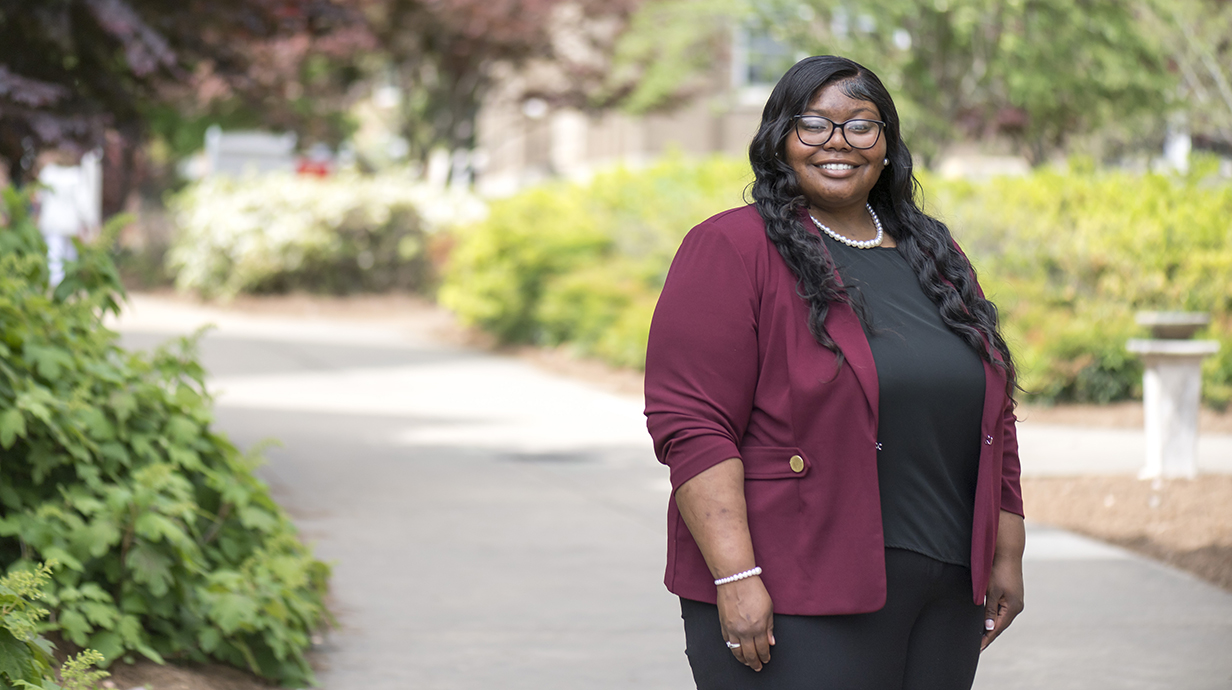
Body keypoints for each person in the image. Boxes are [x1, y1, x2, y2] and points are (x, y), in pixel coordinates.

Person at [643, 55, 1025, 690]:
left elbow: (995, 414)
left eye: (861, 125)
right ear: (778, 139)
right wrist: (736, 577)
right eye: (813, 125)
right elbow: (694, 423)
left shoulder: (933, 251)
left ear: (887, 143)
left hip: (946, 584)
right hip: (798, 584)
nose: (838, 143)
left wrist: (1005, 552)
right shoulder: (732, 248)